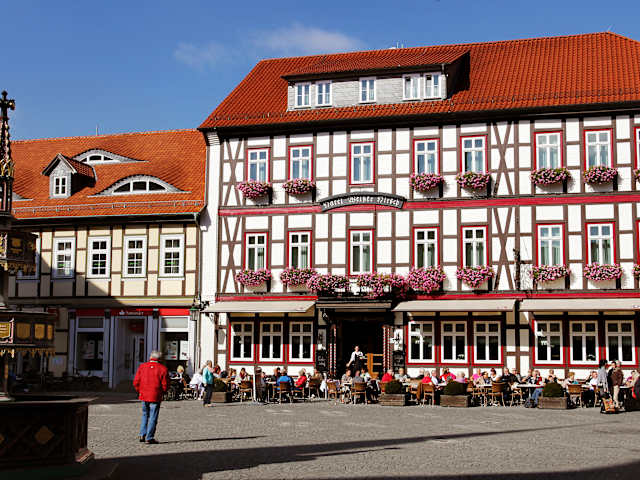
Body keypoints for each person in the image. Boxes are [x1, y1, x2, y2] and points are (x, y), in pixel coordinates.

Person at [133, 350, 169, 444]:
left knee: (145, 415)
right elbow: (165, 384)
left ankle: (142, 434)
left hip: (144, 395)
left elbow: (136, 381)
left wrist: (140, 390)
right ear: (159, 359)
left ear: (150, 357)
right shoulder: (163, 369)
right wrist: (163, 392)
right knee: (153, 416)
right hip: (155, 395)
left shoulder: (142, 366)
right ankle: (149, 437)